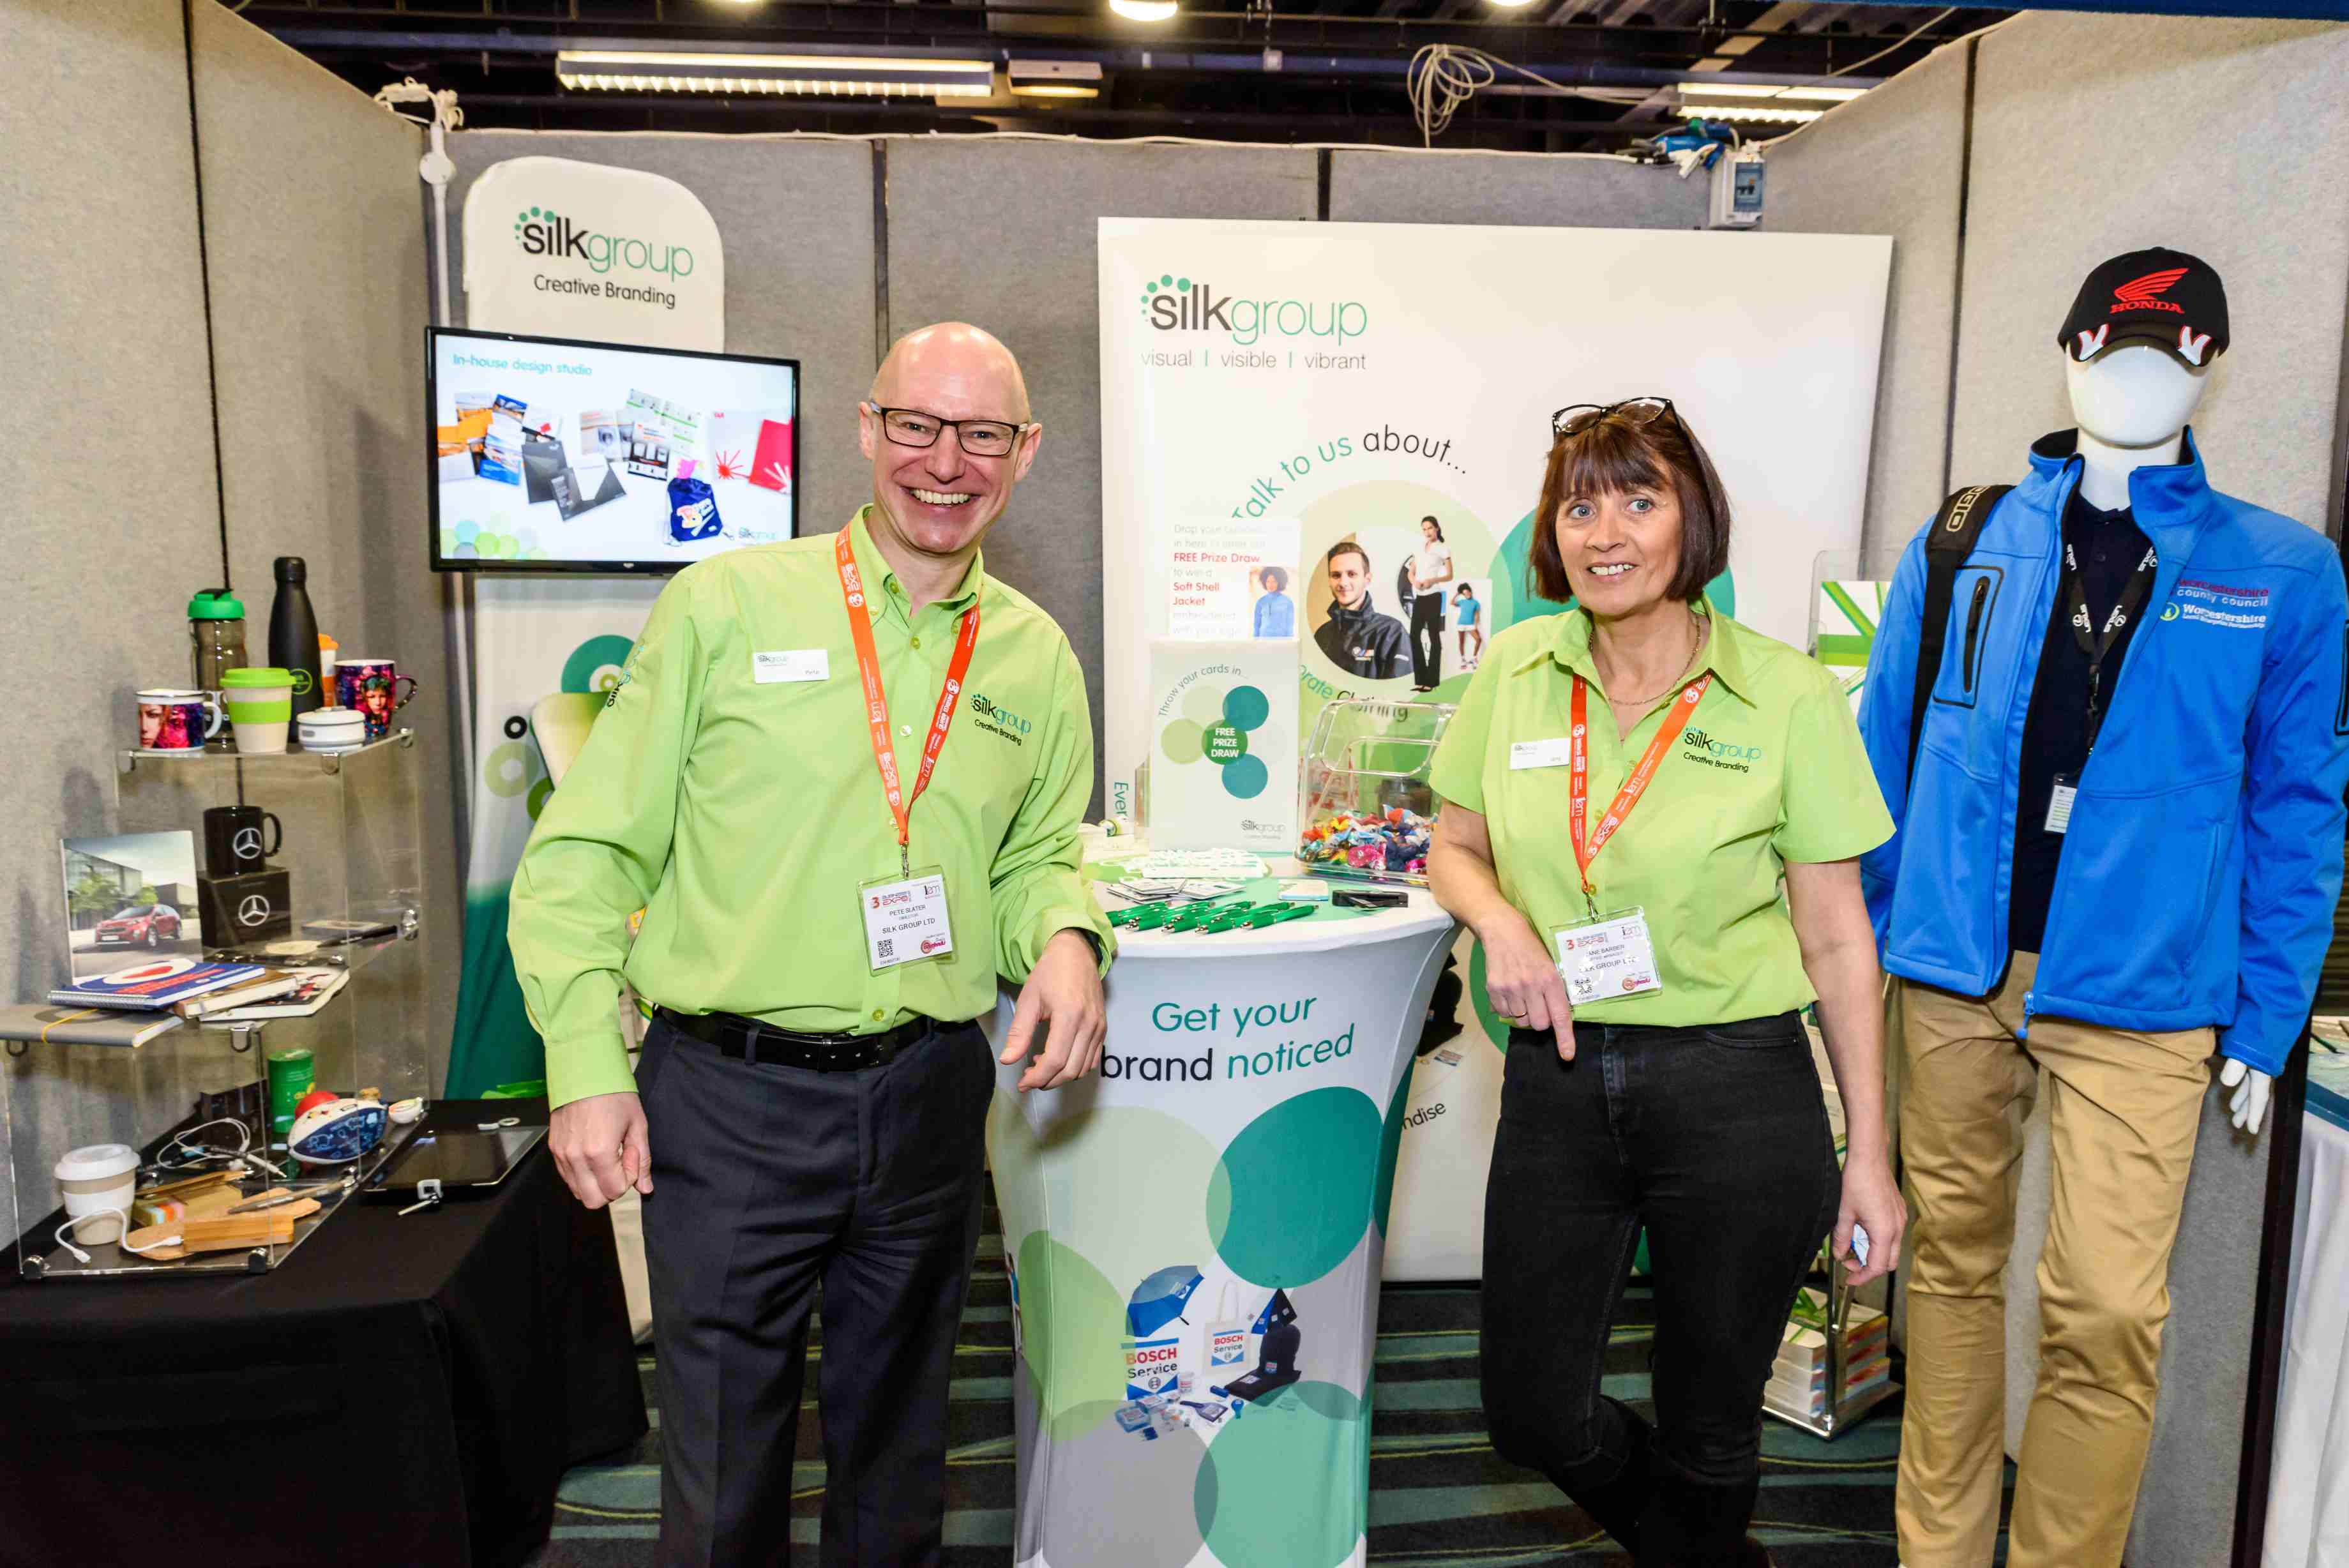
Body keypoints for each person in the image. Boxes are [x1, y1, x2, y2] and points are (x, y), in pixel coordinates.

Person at [508, 322, 1116, 1568]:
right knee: (724, 1473)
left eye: (981, 434)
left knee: (897, 1457)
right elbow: (585, 854)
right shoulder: (725, 607)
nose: (944, 462)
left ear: (1024, 452)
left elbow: (1033, 855)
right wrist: (582, 1063)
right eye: (917, 425)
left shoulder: (1035, 658)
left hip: (928, 1093)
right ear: (865, 428)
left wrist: (1063, 933)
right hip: (729, 1100)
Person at [1859, 250, 2349, 1568]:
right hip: (1954, 971)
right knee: (1947, 1275)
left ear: (2207, 369)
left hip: (2144, 988)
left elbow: (2297, 807)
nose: (2133, 380)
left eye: (2166, 357)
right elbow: (1881, 754)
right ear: (2067, 356)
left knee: (2105, 1311)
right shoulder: (1962, 538)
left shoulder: (2281, 570)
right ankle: (1934, 1551)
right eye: (2109, 351)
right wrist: (1878, 937)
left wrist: (2266, 1013)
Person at [1426, 396, 1906, 1567]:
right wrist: (1500, 923)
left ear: (1692, 518)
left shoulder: (1783, 694)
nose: (1604, 533)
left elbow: (1838, 939)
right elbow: (1451, 846)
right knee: (1528, 1409)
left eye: (1637, 501)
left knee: (1709, 1418)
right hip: (1558, 1075)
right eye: (1578, 506)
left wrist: (1869, 1154)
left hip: (1735, 1085)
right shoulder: (1515, 669)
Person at [1313, 540, 1407, 680]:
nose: (1343, 582)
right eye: (1336, 575)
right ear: (1329, 581)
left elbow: (1398, 690)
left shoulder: (1391, 632)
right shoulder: (1322, 635)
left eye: (1352, 574)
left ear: (1367, 579)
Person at [1409, 513, 1454, 689]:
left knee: (1434, 637)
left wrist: (1432, 581)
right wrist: (1415, 582)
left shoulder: (1443, 549)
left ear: (1437, 529)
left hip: (1434, 596)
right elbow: (1411, 572)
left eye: (1430, 528)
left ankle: (1431, 681)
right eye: (1424, 529)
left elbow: (1450, 575)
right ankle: (1421, 679)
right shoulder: (1420, 548)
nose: (1427, 532)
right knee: (1414, 636)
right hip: (1420, 597)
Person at [1251, 564, 1294, 637]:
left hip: (1281, 640)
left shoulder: (1287, 602)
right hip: (1263, 640)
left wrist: (1290, 641)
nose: (1271, 585)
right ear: (1264, 582)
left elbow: (1290, 627)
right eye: (1268, 582)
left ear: (1279, 582)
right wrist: (1255, 641)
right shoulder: (1260, 602)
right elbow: (1256, 626)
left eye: (1274, 582)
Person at [1454, 582, 1483, 669]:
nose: (1467, 595)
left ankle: (1474, 658)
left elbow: (1477, 615)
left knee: (1478, 639)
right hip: (1461, 624)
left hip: (1470, 625)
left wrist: (1476, 625)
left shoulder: (1476, 603)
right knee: (1461, 642)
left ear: (1470, 592)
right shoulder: (1462, 602)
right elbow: (1452, 603)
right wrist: (1457, 594)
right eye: (1464, 594)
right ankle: (1463, 660)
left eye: (1467, 593)